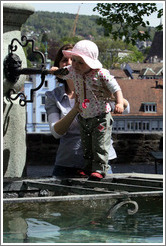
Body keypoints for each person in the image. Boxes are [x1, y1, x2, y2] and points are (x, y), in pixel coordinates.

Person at [49, 40, 124, 181]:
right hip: (67, 162)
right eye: (67, 60)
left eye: (77, 60)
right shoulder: (53, 96)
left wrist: (113, 98)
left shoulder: (99, 77)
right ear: (59, 63)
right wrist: (76, 108)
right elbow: (56, 132)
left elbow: (125, 107)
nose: (73, 64)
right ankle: (89, 166)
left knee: (99, 143)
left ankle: (97, 167)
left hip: (100, 126)